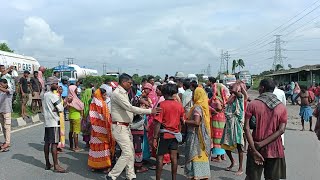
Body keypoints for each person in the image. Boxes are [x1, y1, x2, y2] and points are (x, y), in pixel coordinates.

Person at [106, 73, 160, 180]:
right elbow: (130, 108)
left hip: (125, 126)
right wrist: (150, 111)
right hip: (119, 127)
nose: (131, 85)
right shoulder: (117, 94)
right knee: (127, 152)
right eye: (129, 83)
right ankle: (112, 175)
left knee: (130, 152)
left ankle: (130, 175)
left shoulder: (124, 92)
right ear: (123, 82)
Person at [244, 79, 287, 180]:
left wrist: (255, 149)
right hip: (275, 149)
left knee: (252, 177)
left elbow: (246, 128)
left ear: (262, 88)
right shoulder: (281, 107)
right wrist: (262, 143)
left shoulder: (253, 104)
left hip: (255, 146)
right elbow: (281, 130)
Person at [153, 84, 184, 180]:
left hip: (164, 135)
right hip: (174, 135)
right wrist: (178, 132)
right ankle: (173, 178)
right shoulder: (179, 105)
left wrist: (155, 138)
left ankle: (158, 178)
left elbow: (158, 123)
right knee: (174, 158)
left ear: (164, 93)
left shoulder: (162, 105)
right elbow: (182, 121)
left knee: (159, 158)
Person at [184, 87, 211, 180]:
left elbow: (196, 122)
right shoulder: (204, 106)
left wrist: (185, 121)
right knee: (202, 155)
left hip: (196, 137)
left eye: (193, 94)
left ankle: (196, 175)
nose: (192, 96)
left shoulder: (197, 108)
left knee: (195, 154)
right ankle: (202, 175)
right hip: (203, 137)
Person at [220, 83, 246, 176]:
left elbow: (239, 94)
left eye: (232, 88)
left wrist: (235, 89)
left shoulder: (240, 97)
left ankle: (240, 168)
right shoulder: (230, 98)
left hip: (236, 125)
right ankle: (232, 162)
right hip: (228, 124)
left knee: (239, 146)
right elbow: (225, 105)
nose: (230, 89)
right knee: (224, 145)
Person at [88, 88, 115, 173]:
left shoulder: (93, 102)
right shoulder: (102, 104)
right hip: (103, 129)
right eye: (104, 95)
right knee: (104, 148)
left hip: (95, 130)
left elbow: (92, 116)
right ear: (100, 95)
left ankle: (94, 166)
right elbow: (105, 117)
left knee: (95, 149)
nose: (106, 96)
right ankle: (105, 166)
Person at [42, 77, 66, 173]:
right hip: (54, 121)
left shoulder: (44, 95)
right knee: (55, 144)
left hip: (47, 121)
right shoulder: (53, 96)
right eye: (55, 84)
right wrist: (65, 103)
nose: (57, 85)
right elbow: (60, 108)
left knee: (47, 142)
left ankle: (48, 163)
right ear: (51, 84)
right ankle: (56, 165)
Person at [129, 83, 149, 173]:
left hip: (127, 127)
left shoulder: (125, 100)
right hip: (137, 127)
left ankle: (128, 166)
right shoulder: (136, 100)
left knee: (128, 148)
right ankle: (138, 167)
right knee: (137, 147)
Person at [210, 81, 228, 162]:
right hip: (222, 118)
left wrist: (212, 109)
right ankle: (222, 155)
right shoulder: (224, 98)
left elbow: (219, 108)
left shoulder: (216, 99)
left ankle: (218, 157)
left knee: (217, 137)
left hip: (217, 118)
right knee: (221, 136)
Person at [67, 85, 84, 152]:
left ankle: (71, 146)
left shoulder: (68, 98)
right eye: (76, 89)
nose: (77, 91)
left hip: (70, 116)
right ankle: (76, 147)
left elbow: (67, 107)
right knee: (76, 132)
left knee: (71, 131)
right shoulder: (75, 99)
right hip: (76, 117)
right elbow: (81, 107)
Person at [0, 79, 14, 152]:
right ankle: (6, 141)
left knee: (7, 127)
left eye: (2, 84)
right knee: (3, 127)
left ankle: (8, 142)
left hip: (7, 111)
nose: (1, 86)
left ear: (5, 84)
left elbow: (6, 91)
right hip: (1, 111)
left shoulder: (9, 89)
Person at [273, 80, 286, 147]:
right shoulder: (281, 92)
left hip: (271, 111)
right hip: (280, 111)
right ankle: (282, 143)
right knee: (281, 127)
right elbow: (284, 103)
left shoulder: (270, 91)